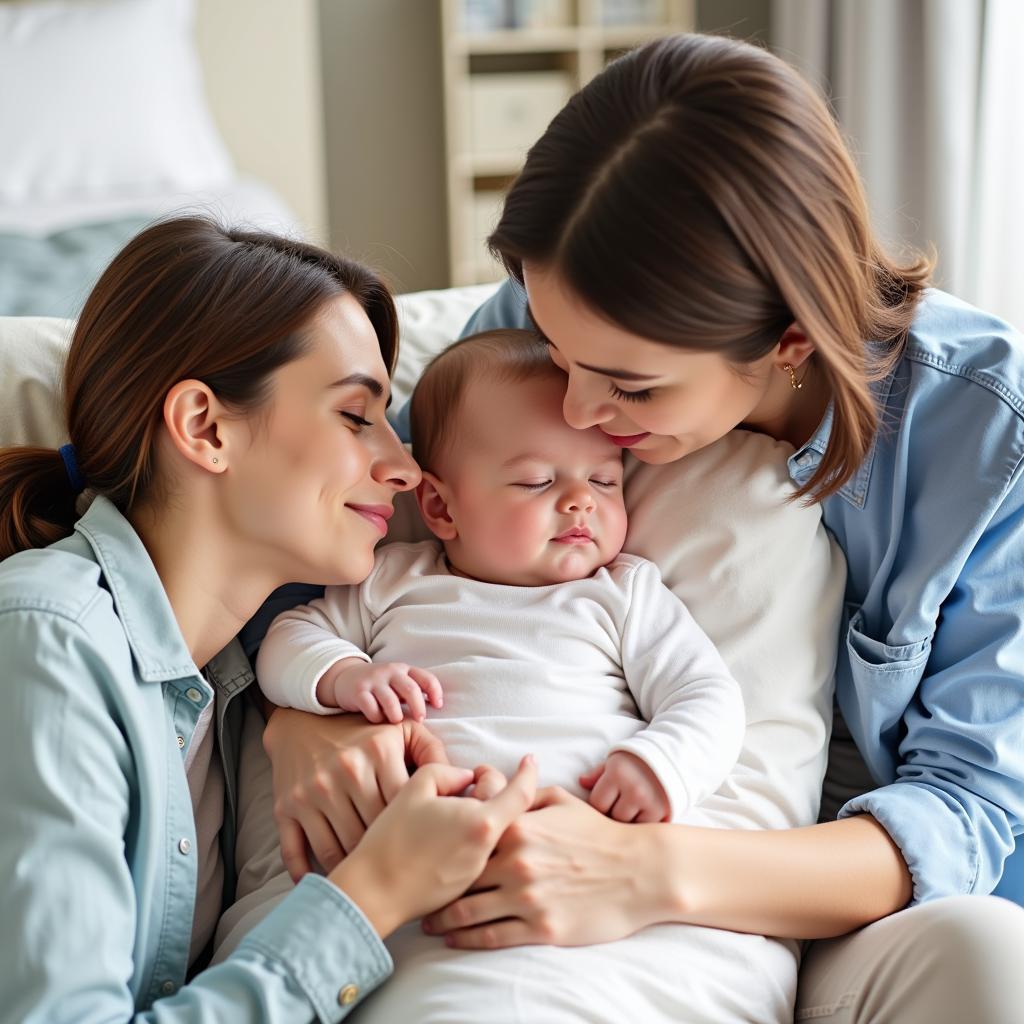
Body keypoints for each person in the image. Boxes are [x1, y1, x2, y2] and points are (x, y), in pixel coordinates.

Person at [259, 33, 1024, 1023]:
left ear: (788, 335)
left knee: (988, 957)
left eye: (628, 385)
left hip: (825, 899)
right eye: (557, 350)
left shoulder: (984, 439)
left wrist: (646, 870)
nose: (574, 411)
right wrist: (300, 722)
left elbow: (965, 815)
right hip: (547, 890)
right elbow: (336, 540)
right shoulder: (560, 315)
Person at [0, 216, 537, 1024]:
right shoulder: (50, 642)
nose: (404, 467)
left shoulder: (229, 689)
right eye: (357, 417)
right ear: (205, 428)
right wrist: (374, 890)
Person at [257, 328, 746, 828]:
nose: (582, 500)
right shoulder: (391, 579)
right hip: (412, 840)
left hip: (577, 833)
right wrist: (344, 676)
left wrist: (660, 764)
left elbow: (707, 693)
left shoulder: (623, 593)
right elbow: (285, 642)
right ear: (440, 507)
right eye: (537, 481)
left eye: (604, 480)